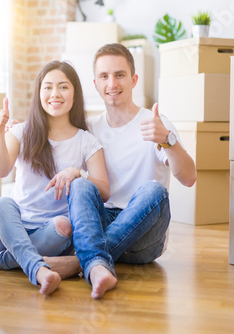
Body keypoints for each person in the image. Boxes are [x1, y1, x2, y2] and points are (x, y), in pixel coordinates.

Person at [45, 43, 197, 299]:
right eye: (104, 76)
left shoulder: (156, 124)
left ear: (133, 79)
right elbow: (51, 140)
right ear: (95, 84)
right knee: (81, 183)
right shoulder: (89, 128)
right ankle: (97, 264)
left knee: (154, 190)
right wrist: (20, 131)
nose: (112, 83)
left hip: (144, 238)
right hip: (100, 225)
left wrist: (168, 140)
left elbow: (189, 177)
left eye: (119, 75)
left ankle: (82, 262)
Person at [0, 60, 110, 296]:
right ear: (39, 93)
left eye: (63, 87)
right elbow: (1, 170)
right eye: (47, 87)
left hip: (51, 236)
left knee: (64, 225)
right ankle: (38, 268)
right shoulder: (21, 131)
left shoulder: (86, 141)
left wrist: (78, 173)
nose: (54, 94)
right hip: (9, 230)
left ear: (75, 93)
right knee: (2, 203)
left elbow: (104, 191)